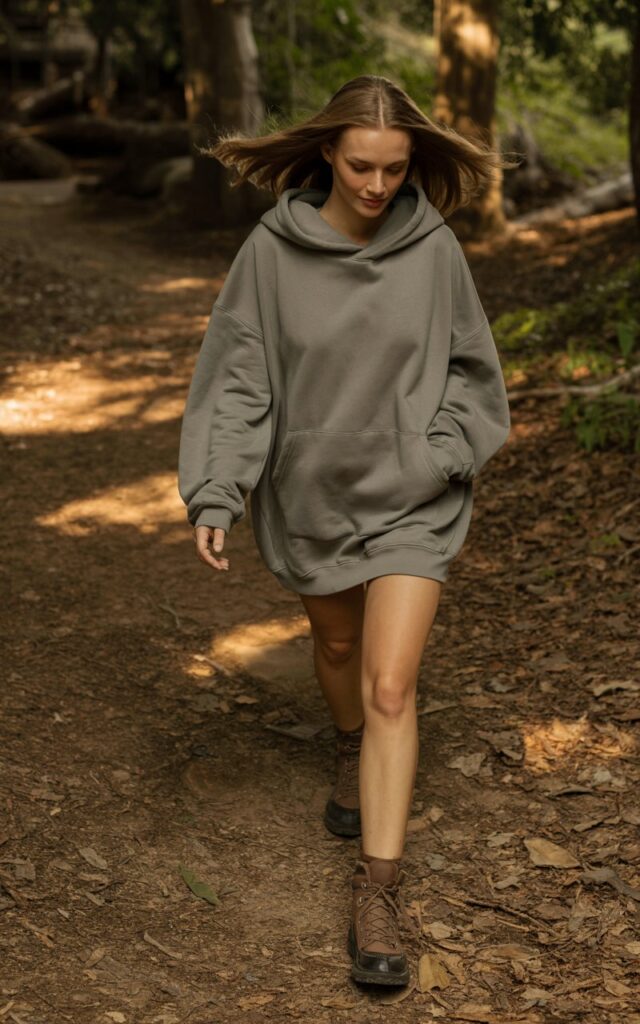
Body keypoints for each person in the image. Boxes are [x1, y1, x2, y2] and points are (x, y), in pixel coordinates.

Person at [177, 74, 513, 987]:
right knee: (335, 646)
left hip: (414, 496)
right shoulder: (271, 254)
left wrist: (439, 454)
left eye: (396, 169)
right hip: (312, 496)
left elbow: (475, 376)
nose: (377, 185)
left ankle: (379, 891)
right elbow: (240, 381)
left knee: (392, 685)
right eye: (361, 165)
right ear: (327, 152)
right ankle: (347, 747)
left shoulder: (433, 247)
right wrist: (216, 488)